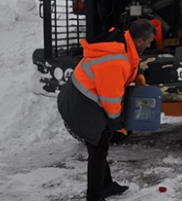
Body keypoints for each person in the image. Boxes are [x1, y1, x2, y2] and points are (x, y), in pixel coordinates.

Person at [57, 19, 156, 201]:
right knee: (98, 148)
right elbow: (111, 98)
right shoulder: (116, 61)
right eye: (149, 41)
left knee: (100, 144)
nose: (150, 44)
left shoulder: (123, 42)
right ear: (140, 41)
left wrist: (139, 72)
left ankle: (106, 184)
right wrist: (116, 123)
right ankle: (94, 196)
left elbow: (132, 62)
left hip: (83, 95)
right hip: (81, 102)